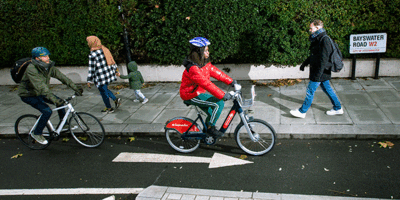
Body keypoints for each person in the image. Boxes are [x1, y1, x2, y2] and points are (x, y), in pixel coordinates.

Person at [18, 47, 83, 145]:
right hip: (29, 95)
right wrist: (54, 100)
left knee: (62, 103)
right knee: (47, 111)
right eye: (44, 56)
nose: (48, 58)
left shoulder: (48, 66)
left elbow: (62, 77)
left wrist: (75, 88)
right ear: (37, 59)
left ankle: (63, 124)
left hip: (40, 92)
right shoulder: (31, 69)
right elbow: (41, 87)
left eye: (48, 55)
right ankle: (37, 133)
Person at [180, 37, 237, 136]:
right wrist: (223, 95)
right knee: (219, 104)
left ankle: (206, 134)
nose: (208, 53)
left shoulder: (203, 63)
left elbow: (216, 72)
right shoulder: (194, 68)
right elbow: (206, 84)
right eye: (206, 51)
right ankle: (210, 128)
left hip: (198, 92)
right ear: (199, 52)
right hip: (191, 95)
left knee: (212, 113)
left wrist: (231, 82)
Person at [290, 19, 343, 118]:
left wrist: (317, 75)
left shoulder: (324, 40)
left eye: (311, 28)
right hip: (321, 71)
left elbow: (323, 60)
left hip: (320, 71)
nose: (309, 30)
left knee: (310, 91)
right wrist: (305, 63)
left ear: (317, 28)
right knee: (327, 89)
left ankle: (302, 111)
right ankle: (338, 108)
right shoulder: (318, 38)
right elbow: (315, 55)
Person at [86, 36, 121, 113]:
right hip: (107, 75)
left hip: (100, 77)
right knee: (104, 89)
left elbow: (92, 68)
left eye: (88, 42)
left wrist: (89, 80)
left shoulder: (93, 54)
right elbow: (112, 60)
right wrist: (116, 70)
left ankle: (109, 108)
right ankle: (115, 100)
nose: (88, 44)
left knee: (103, 92)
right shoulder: (104, 49)